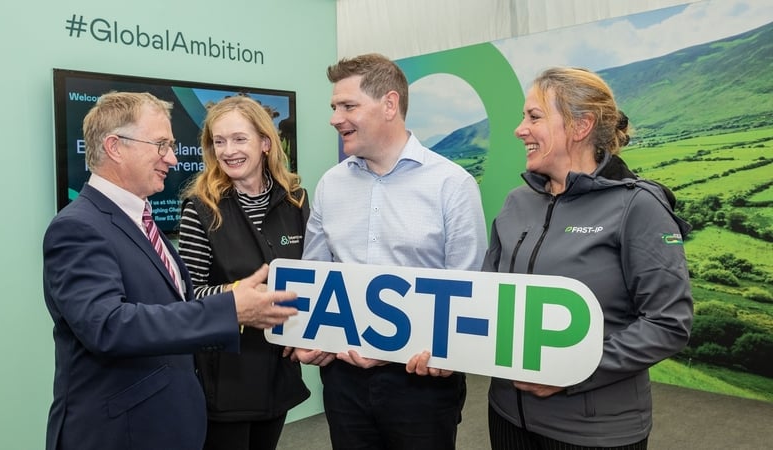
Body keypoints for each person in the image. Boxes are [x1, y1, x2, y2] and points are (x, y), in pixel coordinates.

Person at [42, 91, 298, 450]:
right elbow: (107, 326)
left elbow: (179, 303)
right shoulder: (78, 227)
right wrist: (231, 306)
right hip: (120, 431)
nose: (173, 159)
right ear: (115, 147)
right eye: (162, 145)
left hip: (165, 419)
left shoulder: (140, 221)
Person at [482, 67, 693, 449]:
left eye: (534, 117)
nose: (519, 129)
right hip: (508, 416)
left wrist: (572, 371)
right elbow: (487, 298)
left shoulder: (638, 206)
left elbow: (668, 323)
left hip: (593, 433)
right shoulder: (516, 203)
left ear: (580, 126)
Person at [292, 53, 488, 450]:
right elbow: (314, 275)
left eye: (348, 106)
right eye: (334, 107)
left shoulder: (452, 185)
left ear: (390, 105)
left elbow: (470, 292)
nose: (335, 117)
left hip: (420, 383)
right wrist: (307, 332)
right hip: (343, 381)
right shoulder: (330, 185)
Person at [177, 95, 310, 450]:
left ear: (265, 143)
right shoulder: (201, 208)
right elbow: (188, 296)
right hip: (226, 376)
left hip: (278, 370)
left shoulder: (295, 200)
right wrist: (238, 296)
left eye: (239, 139)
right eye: (218, 141)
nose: (227, 150)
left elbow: (311, 277)